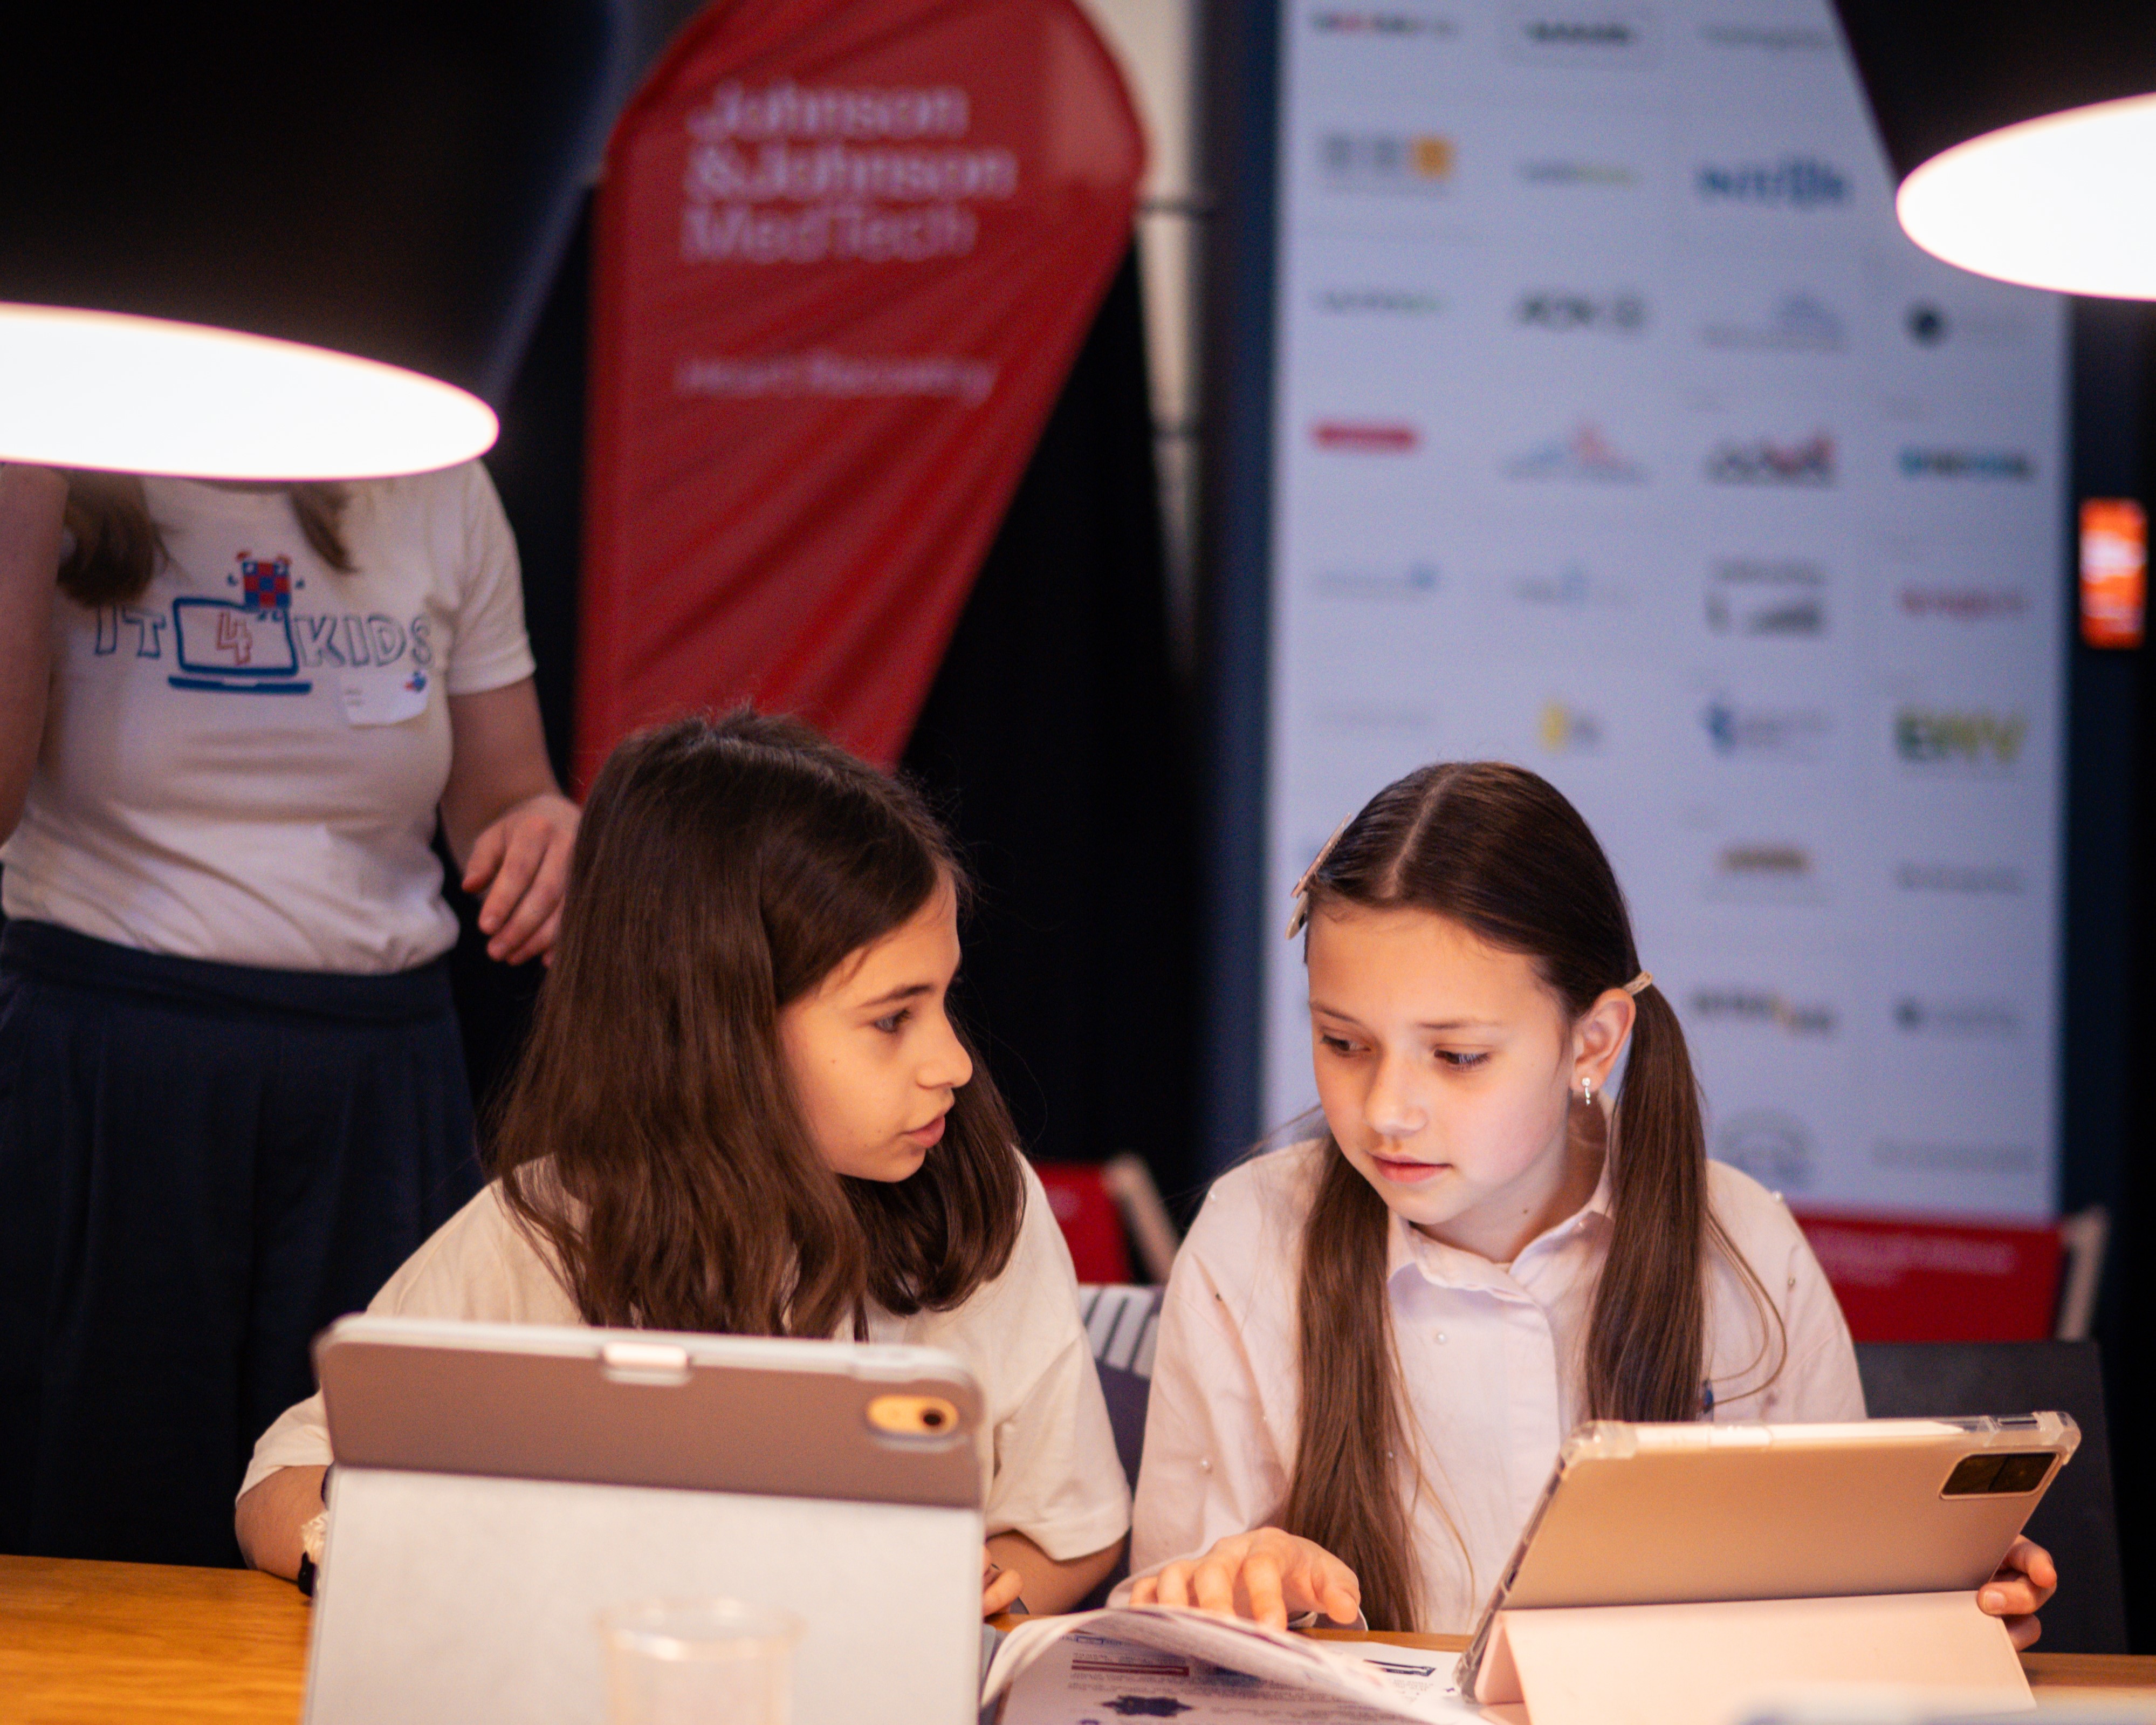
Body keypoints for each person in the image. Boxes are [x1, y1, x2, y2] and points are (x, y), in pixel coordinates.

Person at [1124, 761, 2057, 1643]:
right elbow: (1156, 1641)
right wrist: (1232, 1587)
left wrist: (1927, 1608)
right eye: (1343, 1042)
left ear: (1593, 1041)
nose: (1385, 1110)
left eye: (1457, 1056)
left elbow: (1835, 1609)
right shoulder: (1250, 1240)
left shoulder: (1745, 1248)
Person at [234, 711, 1131, 1614]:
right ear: (721, 1031)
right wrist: (368, 1545)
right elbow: (281, 1478)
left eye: (944, 998)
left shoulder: (981, 1201)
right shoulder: (546, 1227)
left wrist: (963, 1592)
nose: (954, 1062)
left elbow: (1070, 1528)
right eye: (892, 1018)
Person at [0, 462, 578, 1567]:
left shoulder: (434, 479)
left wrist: (543, 833)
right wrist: (20, 505)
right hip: (112, 1060)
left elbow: (507, 793)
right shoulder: (44, 462)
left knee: (378, 1491)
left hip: (377, 1075)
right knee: (96, 1514)